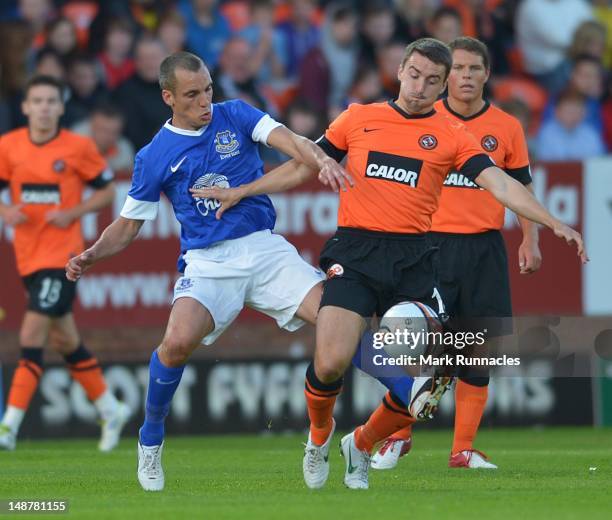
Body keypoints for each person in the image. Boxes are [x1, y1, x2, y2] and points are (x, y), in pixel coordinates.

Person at [196, 38, 587, 491]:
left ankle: (360, 444)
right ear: (400, 70)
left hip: (415, 262)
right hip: (356, 253)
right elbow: (303, 167)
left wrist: (552, 222)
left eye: (432, 81)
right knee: (331, 362)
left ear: (443, 87)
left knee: (424, 377)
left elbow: (501, 185)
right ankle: (319, 439)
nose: (421, 87)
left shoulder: (452, 135)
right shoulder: (358, 118)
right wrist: (242, 191)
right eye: (415, 74)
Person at [65, 50, 376, 493]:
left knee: (339, 326)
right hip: (209, 262)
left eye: (208, 88)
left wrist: (320, 158)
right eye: (192, 94)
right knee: (175, 344)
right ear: (169, 97)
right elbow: (129, 225)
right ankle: (150, 439)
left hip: (265, 250)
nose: (205, 101)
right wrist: (92, 253)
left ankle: (319, 438)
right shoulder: (154, 155)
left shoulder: (236, 114)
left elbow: (288, 139)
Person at [369, 36, 541, 471]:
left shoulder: (506, 127)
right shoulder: (426, 120)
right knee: (413, 344)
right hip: (428, 244)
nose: (465, 76)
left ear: (486, 75)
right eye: (459, 69)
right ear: (446, 78)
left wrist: (531, 237)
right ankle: (398, 436)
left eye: (474, 69)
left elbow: (520, 188)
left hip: (483, 247)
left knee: (477, 349)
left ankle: (462, 450)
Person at [0, 75, 129, 452]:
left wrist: (73, 211)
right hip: (28, 257)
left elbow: (106, 189)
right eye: (36, 100)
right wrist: (6, 210)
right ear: (25, 107)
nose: (43, 107)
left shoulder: (77, 147)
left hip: (64, 258)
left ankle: (9, 426)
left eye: (50, 101)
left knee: (31, 335)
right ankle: (110, 408)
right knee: (64, 339)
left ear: (60, 107)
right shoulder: (9, 146)